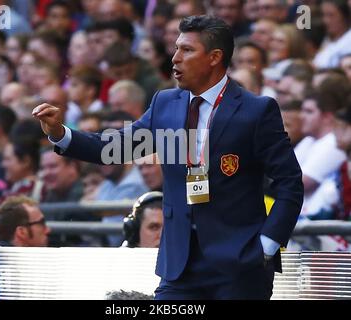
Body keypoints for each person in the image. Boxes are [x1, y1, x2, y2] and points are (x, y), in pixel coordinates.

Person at [33, 15, 303, 300]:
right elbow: (114, 148)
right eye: (176, 48)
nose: (175, 58)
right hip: (179, 265)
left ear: (214, 57)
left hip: (239, 267)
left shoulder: (256, 110)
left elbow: (290, 183)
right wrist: (61, 133)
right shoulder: (164, 103)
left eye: (187, 50)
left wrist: (268, 245)